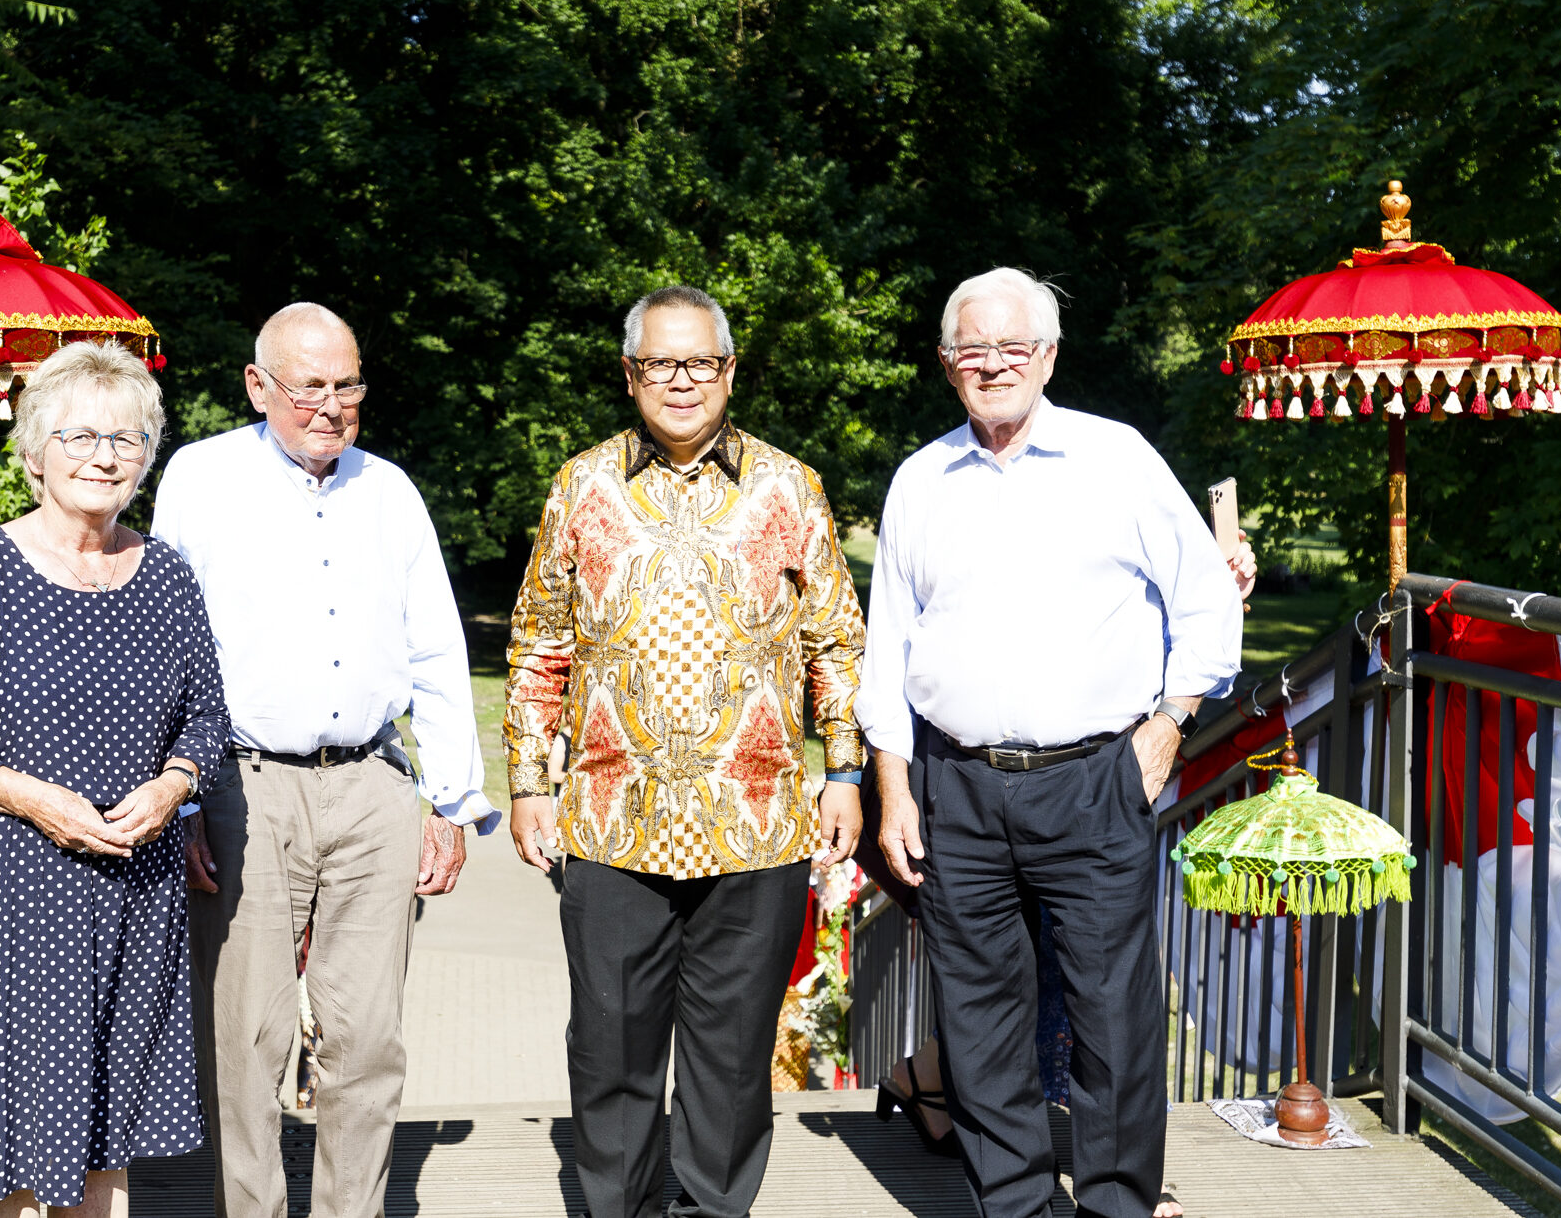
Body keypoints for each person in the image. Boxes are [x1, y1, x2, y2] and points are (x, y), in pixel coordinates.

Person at [862, 268, 1243, 1218]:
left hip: (1096, 779)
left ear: (1049, 356)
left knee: (1113, 1016)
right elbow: (886, 649)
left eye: (1013, 348)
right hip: (956, 784)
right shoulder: (919, 479)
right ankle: (1017, 1207)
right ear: (949, 366)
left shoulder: (1117, 460)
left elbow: (1205, 599)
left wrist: (1170, 722)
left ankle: (1116, 1203)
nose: (994, 366)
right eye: (973, 352)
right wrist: (894, 789)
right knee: (981, 1024)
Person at [503, 285, 865, 1218]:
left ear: (729, 370)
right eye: (659, 363)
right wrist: (530, 782)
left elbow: (836, 641)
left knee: (735, 1060)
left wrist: (847, 770)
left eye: (699, 362)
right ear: (629, 376)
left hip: (758, 819)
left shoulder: (790, 486)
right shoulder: (581, 486)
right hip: (611, 817)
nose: (681, 381)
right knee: (611, 1050)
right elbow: (540, 641)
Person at [149, 302, 496, 1218]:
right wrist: (180, 805)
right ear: (259, 387)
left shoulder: (391, 490)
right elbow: (168, 650)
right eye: (310, 386)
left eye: (347, 385)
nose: (331, 405)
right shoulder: (201, 477)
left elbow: (437, 652)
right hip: (241, 785)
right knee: (248, 1040)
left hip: (374, 785)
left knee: (367, 1038)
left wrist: (451, 802)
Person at [0, 342, 229, 1217]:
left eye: (127, 439)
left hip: (131, 897)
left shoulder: (169, 579)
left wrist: (176, 783)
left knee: (104, 1150)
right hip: (6, 902)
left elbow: (208, 717)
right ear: (34, 453)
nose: (103, 456)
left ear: (148, 458)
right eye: (78, 436)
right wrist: (30, 796)